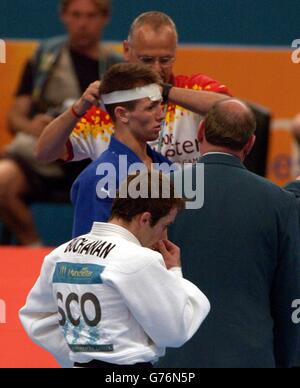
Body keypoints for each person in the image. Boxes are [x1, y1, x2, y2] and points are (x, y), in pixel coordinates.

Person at [159, 99, 300, 368]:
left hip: (174, 356)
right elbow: (291, 294)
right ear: (250, 143)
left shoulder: (161, 191)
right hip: (251, 356)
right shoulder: (280, 203)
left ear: (200, 133)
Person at [19, 171, 210, 368]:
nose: (164, 236)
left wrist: (79, 354)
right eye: (164, 225)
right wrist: (174, 273)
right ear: (145, 219)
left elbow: (37, 317)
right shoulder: (140, 260)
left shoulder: (60, 255)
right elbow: (175, 332)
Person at [35, 11, 230, 165]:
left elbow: (231, 111)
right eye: (146, 60)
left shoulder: (195, 88)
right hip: (122, 213)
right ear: (127, 51)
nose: (156, 68)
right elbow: (43, 153)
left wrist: (165, 91)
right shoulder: (104, 110)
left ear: (175, 53)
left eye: (165, 60)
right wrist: (78, 108)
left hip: (187, 210)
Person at [0, 0, 121, 246]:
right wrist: (34, 127)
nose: (82, 23)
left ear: (104, 18)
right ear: (63, 16)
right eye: (76, 15)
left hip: (95, 158)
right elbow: (15, 117)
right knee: (2, 179)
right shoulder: (44, 57)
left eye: (90, 16)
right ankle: (32, 247)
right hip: (46, 158)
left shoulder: (117, 67)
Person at [71, 62, 177, 237]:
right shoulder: (97, 179)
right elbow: (88, 257)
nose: (161, 115)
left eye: (160, 105)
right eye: (151, 107)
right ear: (122, 114)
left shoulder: (167, 167)